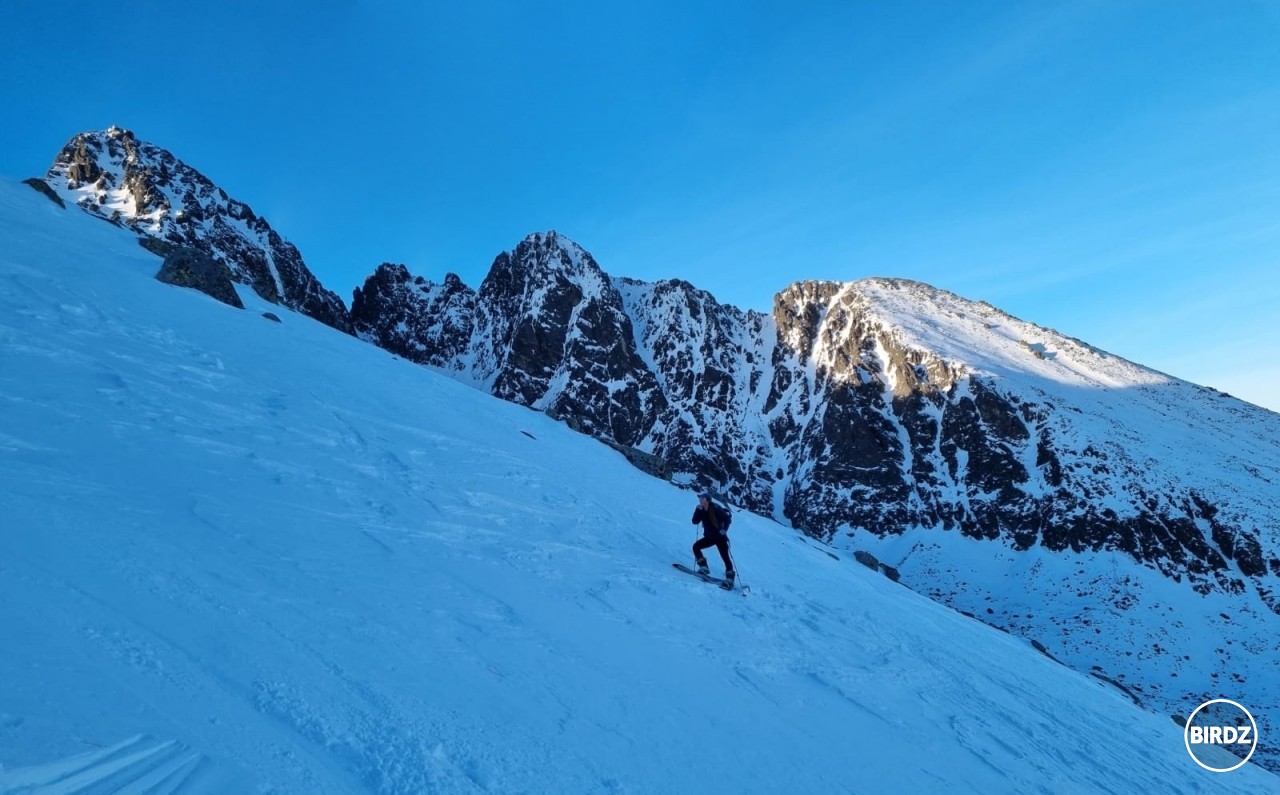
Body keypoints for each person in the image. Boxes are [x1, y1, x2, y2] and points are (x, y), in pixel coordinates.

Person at [691, 492, 734, 583]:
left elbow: (727, 519)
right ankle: (704, 567)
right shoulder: (701, 509)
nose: (700, 500)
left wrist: (724, 530)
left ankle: (730, 578)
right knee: (696, 547)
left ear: (707, 500)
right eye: (700, 498)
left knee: (725, 557)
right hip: (710, 537)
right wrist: (697, 510)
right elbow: (695, 521)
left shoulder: (716, 508)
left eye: (702, 498)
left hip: (720, 537)